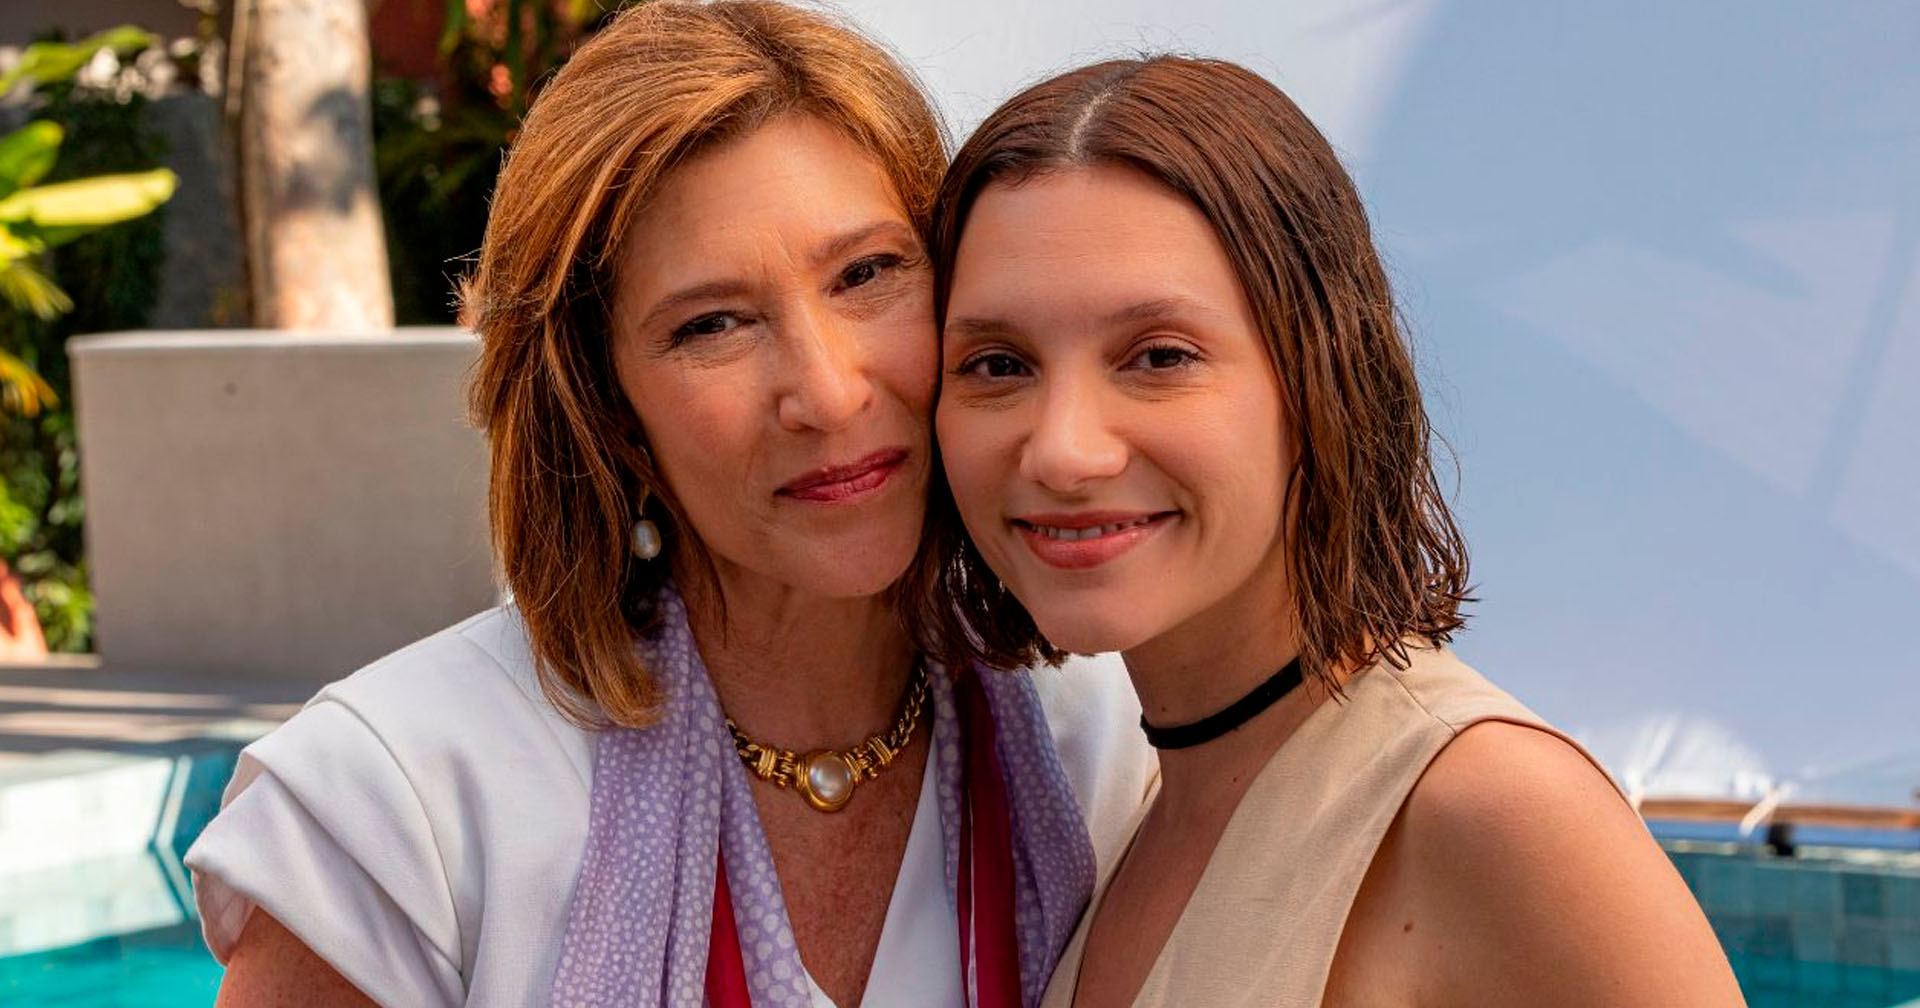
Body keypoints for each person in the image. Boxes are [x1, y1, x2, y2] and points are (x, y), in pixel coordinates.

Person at [184, 5, 1153, 1006]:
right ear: (605, 406)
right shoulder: (398, 805)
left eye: (867, 274)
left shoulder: (1101, 734)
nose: (827, 394)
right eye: (712, 325)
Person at [921, 56, 1746, 1007]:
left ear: (1323, 378)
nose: (1064, 451)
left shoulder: (1498, 810)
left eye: (1159, 356)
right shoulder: (1125, 822)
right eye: (997, 364)